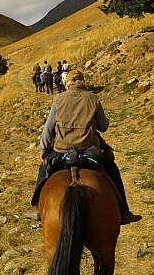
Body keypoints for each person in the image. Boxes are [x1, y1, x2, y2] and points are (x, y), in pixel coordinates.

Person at [27, 71, 142, 225]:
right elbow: (104, 126)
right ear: (83, 82)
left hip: (62, 152)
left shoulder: (59, 99)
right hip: (90, 152)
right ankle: (124, 211)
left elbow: (48, 130)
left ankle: (36, 208)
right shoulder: (93, 98)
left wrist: (43, 151)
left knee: (43, 170)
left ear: (67, 84)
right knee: (113, 170)